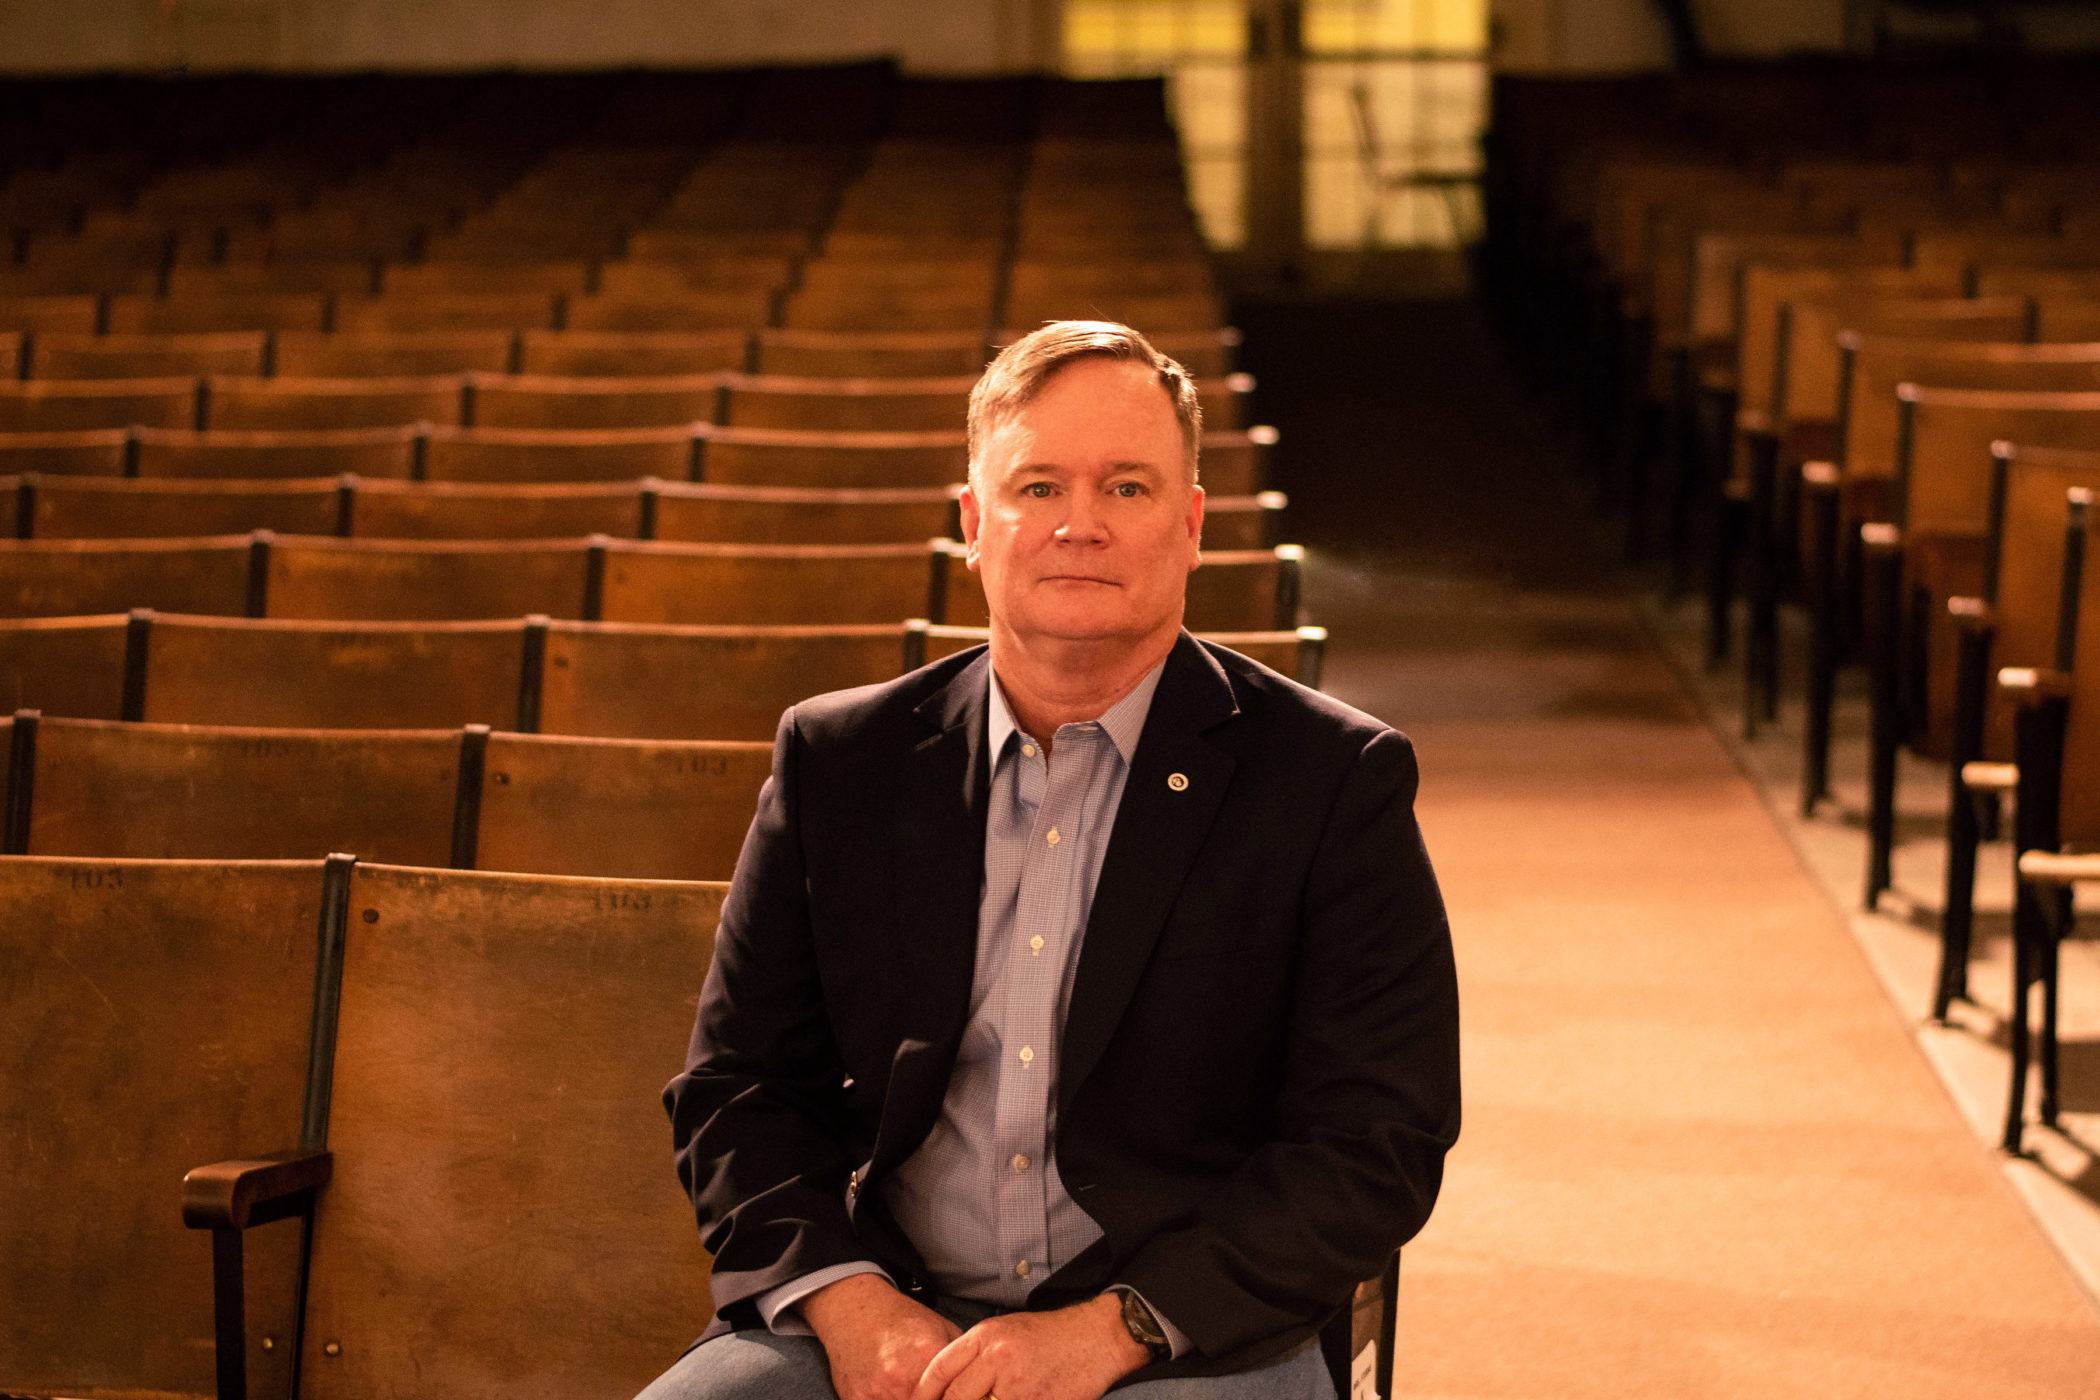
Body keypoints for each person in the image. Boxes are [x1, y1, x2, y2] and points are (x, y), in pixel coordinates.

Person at [645, 321, 1459, 1400]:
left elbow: (1376, 1135)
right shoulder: (839, 760)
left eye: (1127, 488)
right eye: (1038, 487)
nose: (1081, 524)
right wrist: (849, 1300)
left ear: (1191, 524)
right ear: (975, 524)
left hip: (1183, 1335)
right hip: (888, 1307)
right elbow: (737, 1086)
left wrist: (1116, 1327)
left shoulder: (1333, 781)